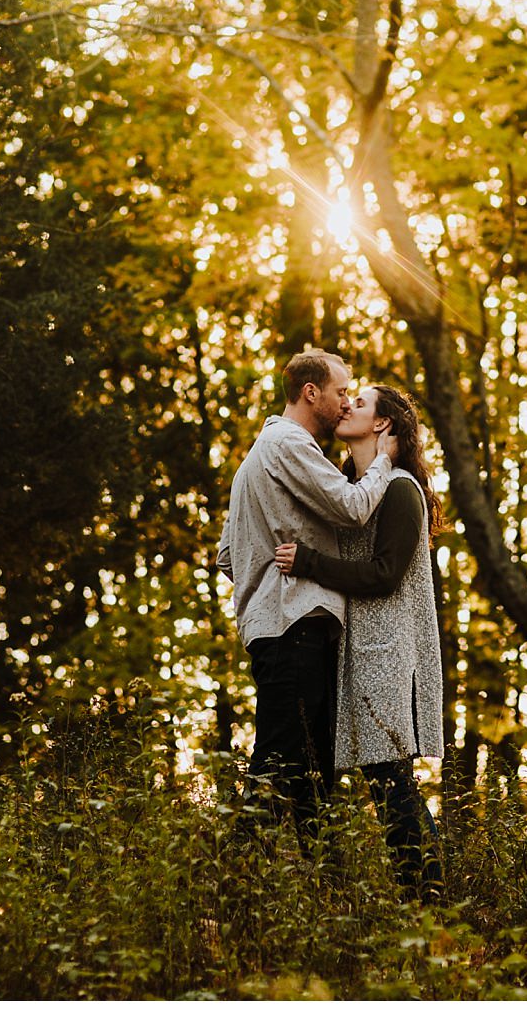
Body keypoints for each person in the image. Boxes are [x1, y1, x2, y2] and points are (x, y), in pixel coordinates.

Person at [215, 350, 397, 844]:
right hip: (296, 625)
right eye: (340, 392)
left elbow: (228, 556)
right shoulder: (290, 443)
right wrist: (383, 462)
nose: (345, 403)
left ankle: (323, 890)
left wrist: (263, 585)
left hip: (274, 626)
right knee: (277, 764)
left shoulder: (256, 454)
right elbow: (353, 507)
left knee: (309, 775)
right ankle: (231, 885)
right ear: (311, 392)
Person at [275, 384, 446, 900]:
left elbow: (385, 574)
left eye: (361, 403)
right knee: (380, 785)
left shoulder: (398, 489)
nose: (346, 405)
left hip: (391, 654)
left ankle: (431, 903)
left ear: (382, 424)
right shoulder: (351, 488)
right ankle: (403, 902)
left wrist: (308, 562)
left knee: (392, 785)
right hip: (355, 654)